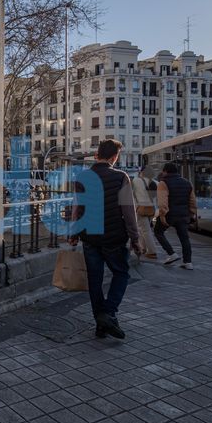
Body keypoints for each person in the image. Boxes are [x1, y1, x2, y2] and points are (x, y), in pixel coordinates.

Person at [69, 139, 142, 340]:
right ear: (114, 157)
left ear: (97, 154)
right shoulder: (121, 177)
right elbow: (128, 211)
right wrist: (135, 238)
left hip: (89, 236)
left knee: (95, 280)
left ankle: (101, 324)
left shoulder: (82, 177)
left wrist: (73, 233)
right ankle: (108, 313)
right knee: (121, 273)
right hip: (114, 237)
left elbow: (77, 209)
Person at [154, 162, 197, 270]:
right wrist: (191, 214)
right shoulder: (187, 182)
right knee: (184, 238)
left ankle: (171, 253)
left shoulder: (163, 183)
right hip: (183, 215)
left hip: (169, 215)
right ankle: (188, 262)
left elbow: (162, 202)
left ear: (165, 171)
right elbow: (192, 201)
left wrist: (163, 216)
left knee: (158, 232)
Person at [131, 166, 159, 259]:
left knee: (145, 230)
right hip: (152, 209)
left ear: (142, 172)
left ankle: (152, 251)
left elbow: (131, 195)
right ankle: (143, 248)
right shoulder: (156, 182)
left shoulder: (136, 181)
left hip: (141, 208)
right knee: (145, 230)